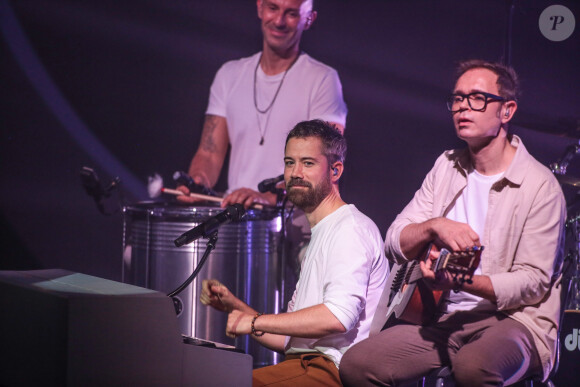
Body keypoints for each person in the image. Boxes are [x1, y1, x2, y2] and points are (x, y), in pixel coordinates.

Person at [339, 60, 566, 386]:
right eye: (458, 99)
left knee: (473, 367)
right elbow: (394, 240)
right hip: (446, 318)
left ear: (507, 110)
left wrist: (460, 280)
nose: (462, 107)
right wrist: (434, 225)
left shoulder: (539, 186)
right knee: (357, 364)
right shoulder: (446, 166)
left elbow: (531, 284)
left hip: (516, 321)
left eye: (477, 98)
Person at [199, 120, 388, 386]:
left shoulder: (350, 230)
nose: (295, 172)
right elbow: (287, 341)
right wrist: (236, 307)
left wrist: (253, 322)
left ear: (335, 171)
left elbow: (337, 317)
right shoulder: (323, 232)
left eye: (308, 163)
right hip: (303, 364)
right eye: (290, 162)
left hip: (328, 371)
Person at [177, 0, 347, 209]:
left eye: (291, 13)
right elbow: (209, 153)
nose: (279, 21)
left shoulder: (323, 79)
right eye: (272, 8)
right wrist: (199, 181)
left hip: (294, 225)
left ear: (309, 19)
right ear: (259, 7)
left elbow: (325, 163)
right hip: (237, 219)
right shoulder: (229, 75)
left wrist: (270, 198)